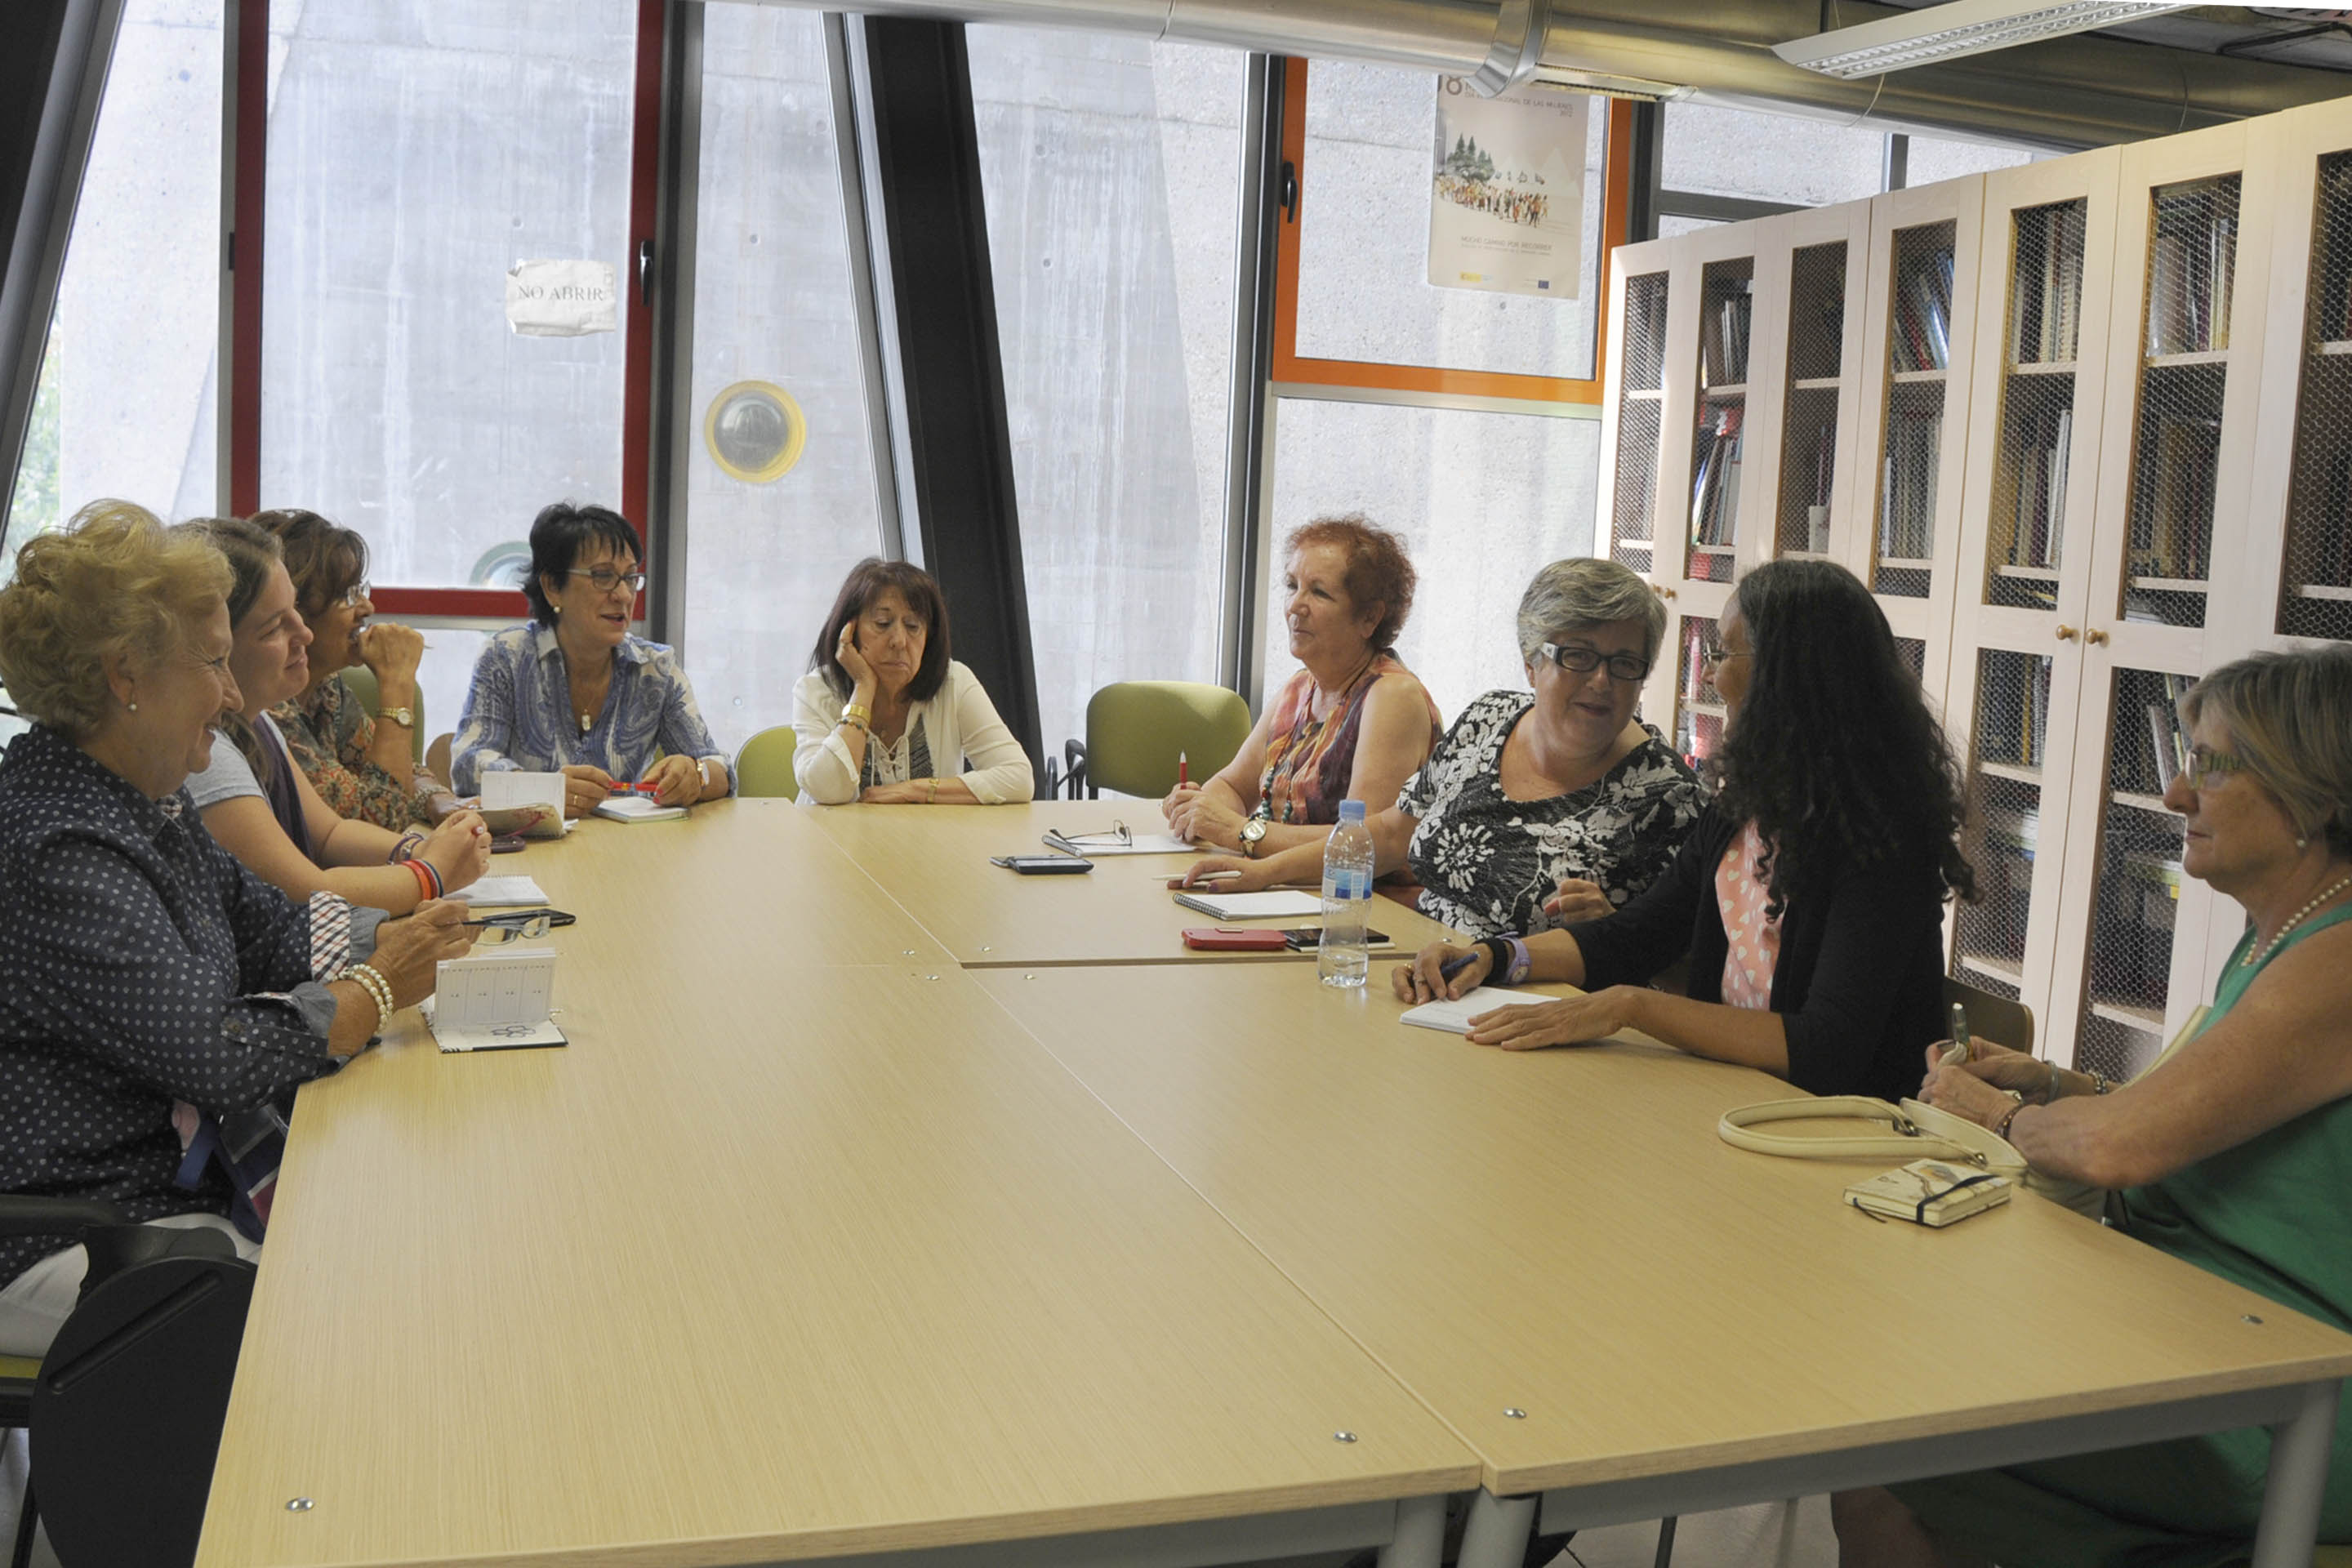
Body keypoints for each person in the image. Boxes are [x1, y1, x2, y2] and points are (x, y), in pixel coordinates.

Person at [1836, 644, 2352, 1567]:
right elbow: (2207, 1113)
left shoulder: (2340, 955)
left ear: (2314, 793)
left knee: (1885, 1436)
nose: (2177, 797)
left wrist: (1989, 1116)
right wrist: (2052, 1085)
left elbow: (2122, 1152)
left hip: (2293, 1396)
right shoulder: (2286, 933)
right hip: (2197, 1329)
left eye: (2212, 767)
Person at [0, 502, 477, 1358]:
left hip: (160, 1193)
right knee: (362, 1305)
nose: (230, 696)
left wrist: (416, 939)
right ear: (126, 677)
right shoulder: (57, 845)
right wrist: (373, 988)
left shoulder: (144, 796)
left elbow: (277, 932)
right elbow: (213, 1052)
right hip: (73, 1232)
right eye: (216, 662)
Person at [1395, 559, 1972, 1104]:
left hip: (1835, 1135)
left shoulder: (1882, 844)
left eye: (1724, 652)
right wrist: (1497, 957)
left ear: (1783, 673)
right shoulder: (1745, 807)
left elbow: (1828, 1047)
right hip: (1726, 1106)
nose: (1711, 672)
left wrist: (1630, 1007)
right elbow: (1634, 936)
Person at [1176, 557, 1706, 936]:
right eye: (1579, 657)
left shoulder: (1668, 798)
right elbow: (1388, 833)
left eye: (1625, 664)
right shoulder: (1488, 719)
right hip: (1413, 964)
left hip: (1534, 1015)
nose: (1601, 682)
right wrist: (1261, 871)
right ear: (1531, 661)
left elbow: (1691, 960)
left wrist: (1613, 931)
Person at [181, 517, 490, 912]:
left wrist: (422, 846)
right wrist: (432, 872)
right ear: (219, 643)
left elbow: (330, 833)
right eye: (276, 625)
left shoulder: (259, 720)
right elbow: (307, 890)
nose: (304, 634)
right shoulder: (213, 751)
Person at [1162, 516, 1441, 859]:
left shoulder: (1393, 697)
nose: (1295, 605)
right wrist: (1201, 811)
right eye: (1292, 586)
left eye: (1319, 592)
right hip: (1283, 889)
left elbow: (1360, 845)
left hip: (1361, 904)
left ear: (1369, 618)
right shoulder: (1299, 687)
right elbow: (1233, 786)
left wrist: (1238, 831)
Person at [452, 501, 732, 817]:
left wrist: (696, 775)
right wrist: (544, 791)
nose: (623, 595)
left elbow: (720, 768)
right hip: (532, 849)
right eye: (603, 576)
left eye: (630, 578)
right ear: (552, 587)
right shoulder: (507, 657)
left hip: (627, 851)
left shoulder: (655, 669)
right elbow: (468, 762)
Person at [256, 506, 463, 831]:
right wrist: (397, 683)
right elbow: (380, 819)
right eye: (347, 595)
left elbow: (408, 770)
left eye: (360, 590)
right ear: (293, 611)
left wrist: (442, 802)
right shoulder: (266, 710)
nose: (368, 608)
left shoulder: (327, 690)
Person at [792, 558, 1034, 805]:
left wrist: (914, 790)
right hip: (833, 842)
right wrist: (864, 687)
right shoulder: (815, 690)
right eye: (882, 624)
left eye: (913, 626)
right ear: (849, 631)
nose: (899, 640)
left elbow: (1019, 778)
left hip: (925, 842)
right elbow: (829, 791)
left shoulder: (953, 682)